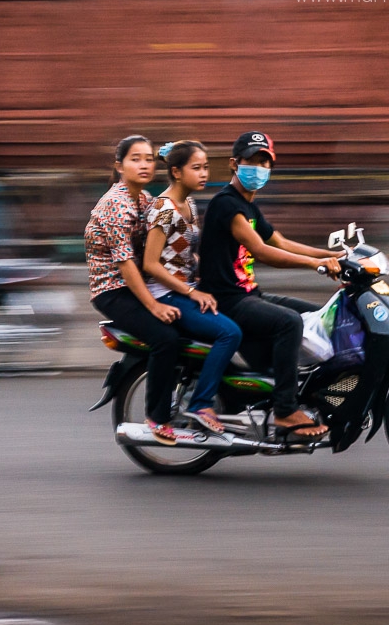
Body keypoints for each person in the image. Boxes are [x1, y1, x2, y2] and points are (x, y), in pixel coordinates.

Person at [198, 131, 342, 439]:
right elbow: (263, 251)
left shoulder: (249, 206)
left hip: (248, 294)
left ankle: (306, 389)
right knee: (289, 323)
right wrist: (316, 265)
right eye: (252, 161)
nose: (259, 168)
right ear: (234, 164)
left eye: (265, 162)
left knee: (321, 314)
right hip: (227, 300)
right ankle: (285, 411)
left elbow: (280, 241)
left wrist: (336, 255)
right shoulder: (226, 204)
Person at [85, 135, 182, 444]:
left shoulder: (143, 199)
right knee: (165, 339)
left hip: (137, 284)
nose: (143, 164)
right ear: (120, 165)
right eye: (135, 159)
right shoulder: (115, 203)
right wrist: (154, 307)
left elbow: (168, 223)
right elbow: (126, 264)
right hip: (114, 292)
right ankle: (157, 416)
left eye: (149, 159)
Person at [142, 140, 242, 434]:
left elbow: (185, 253)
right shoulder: (163, 208)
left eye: (206, 167)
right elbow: (151, 264)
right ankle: (200, 402)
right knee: (229, 332)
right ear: (176, 171)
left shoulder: (190, 204)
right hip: (166, 293)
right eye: (196, 168)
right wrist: (191, 291)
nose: (203, 173)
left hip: (185, 286)